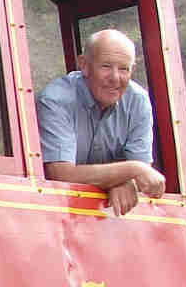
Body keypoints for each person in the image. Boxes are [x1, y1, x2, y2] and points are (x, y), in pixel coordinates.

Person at [36, 28, 164, 215]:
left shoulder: (138, 101)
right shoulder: (55, 100)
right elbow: (61, 173)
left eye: (123, 69)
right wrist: (130, 171)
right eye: (106, 66)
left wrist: (125, 181)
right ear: (84, 65)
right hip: (54, 213)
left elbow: (145, 178)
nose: (115, 78)